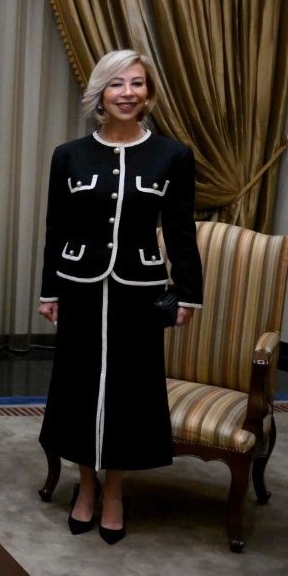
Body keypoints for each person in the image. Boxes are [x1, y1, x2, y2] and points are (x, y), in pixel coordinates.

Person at [38, 49, 202, 544]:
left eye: (137, 84)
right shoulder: (69, 155)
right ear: (100, 95)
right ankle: (84, 488)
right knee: (80, 388)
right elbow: (56, 228)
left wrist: (188, 295)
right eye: (116, 84)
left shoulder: (172, 156)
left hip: (141, 292)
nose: (127, 93)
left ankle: (114, 493)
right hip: (80, 287)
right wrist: (49, 291)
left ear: (148, 95)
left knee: (131, 392)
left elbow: (179, 232)